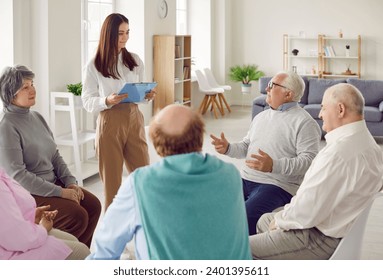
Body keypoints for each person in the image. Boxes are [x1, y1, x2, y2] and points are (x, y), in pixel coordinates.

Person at [87, 104, 252, 260]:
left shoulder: (140, 184)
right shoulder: (230, 175)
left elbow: (105, 250)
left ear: (157, 145)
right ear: (200, 138)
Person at [249, 83, 383, 259]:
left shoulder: (338, 154)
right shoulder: (370, 146)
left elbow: (306, 211)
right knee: (263, 220)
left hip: (316, 237)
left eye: (323, 108)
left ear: (340, 110)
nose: (320, 115)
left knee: (235, 247)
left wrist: (280, 221)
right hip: (336, 227)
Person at [0, 65, 101, 248]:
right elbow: (19, 176)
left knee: (93, 206)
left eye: (32, 84)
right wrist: (62, 193)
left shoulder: (37, 117)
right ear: (11, 94)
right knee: (77, 216)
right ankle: (58, 255)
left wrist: (71, 182)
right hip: (31, 194)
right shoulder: (6, 127)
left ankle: (80, 257)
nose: (33, 89)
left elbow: (54, 155)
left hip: (54, 183)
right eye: (25, 87)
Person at [211, 71, 322, 235]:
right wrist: (228, 148)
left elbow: (308, 161)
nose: (267, 89)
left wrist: (273, 166)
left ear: (288, 93)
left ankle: (242, 255)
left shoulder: (305, 123)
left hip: (277, 185)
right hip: (246, 178)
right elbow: (246, 146)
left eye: (272, 85)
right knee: (215, 205)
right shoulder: (261, 117)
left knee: (244, 217)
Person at [82, 13, 156, 211]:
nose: (125, 38)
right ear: (109, 34)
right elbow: (87, 101)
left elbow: (141, 92)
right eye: (120, 33)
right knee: (112, 188)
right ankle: (113, 240)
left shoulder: (135, 60)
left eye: (127, 33)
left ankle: (145, 229)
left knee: (143, 179)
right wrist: (107, 100)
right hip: (109, 122)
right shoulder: (94, 65)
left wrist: (147, 95)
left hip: (134, 119)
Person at [0, 168, 90, 260]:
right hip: (12, 251)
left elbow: (8, 214)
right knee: (82, 251)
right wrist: (43, 228)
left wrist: (31, 216)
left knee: (73, 239)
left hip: (21, 234)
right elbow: (18, 238)